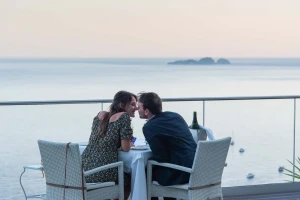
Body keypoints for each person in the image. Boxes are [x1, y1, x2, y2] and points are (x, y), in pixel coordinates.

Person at [137, 92, 197, 200]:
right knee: (162, 168)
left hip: (182, 172)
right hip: (197, 167)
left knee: (146, 172)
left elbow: (161, 157)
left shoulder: (149, 127)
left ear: (146, 111)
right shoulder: (175, 116)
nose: (137, 109)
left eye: (139, 106)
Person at [81, 90, 137, 200]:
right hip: (102, 172)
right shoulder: (123, 117)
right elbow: (126, 148)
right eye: (132, 104)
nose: (136, 107)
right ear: (122, 105)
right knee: (129, 177)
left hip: (84, 169)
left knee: (121, 175)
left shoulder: (100, 116)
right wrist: (129, 144)